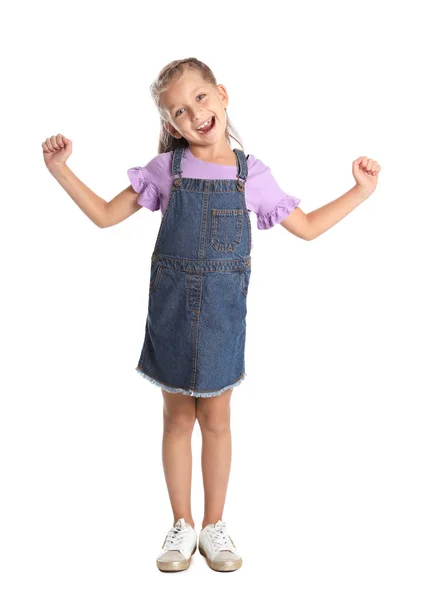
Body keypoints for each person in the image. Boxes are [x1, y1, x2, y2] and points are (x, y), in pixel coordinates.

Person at [41, 57, 381, 574]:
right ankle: (180, 524)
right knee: (178, 419)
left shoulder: (251, 173)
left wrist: (361, 190)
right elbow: (107, 216)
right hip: (173, 311)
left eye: (199, 98)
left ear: (221, 95)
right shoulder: (167, 170)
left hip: (223, 315)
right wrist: (61, 170)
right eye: (178, 110)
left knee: (217, 421)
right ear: (170, 125)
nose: (193, 113)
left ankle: (214, 526)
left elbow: (307, 227)